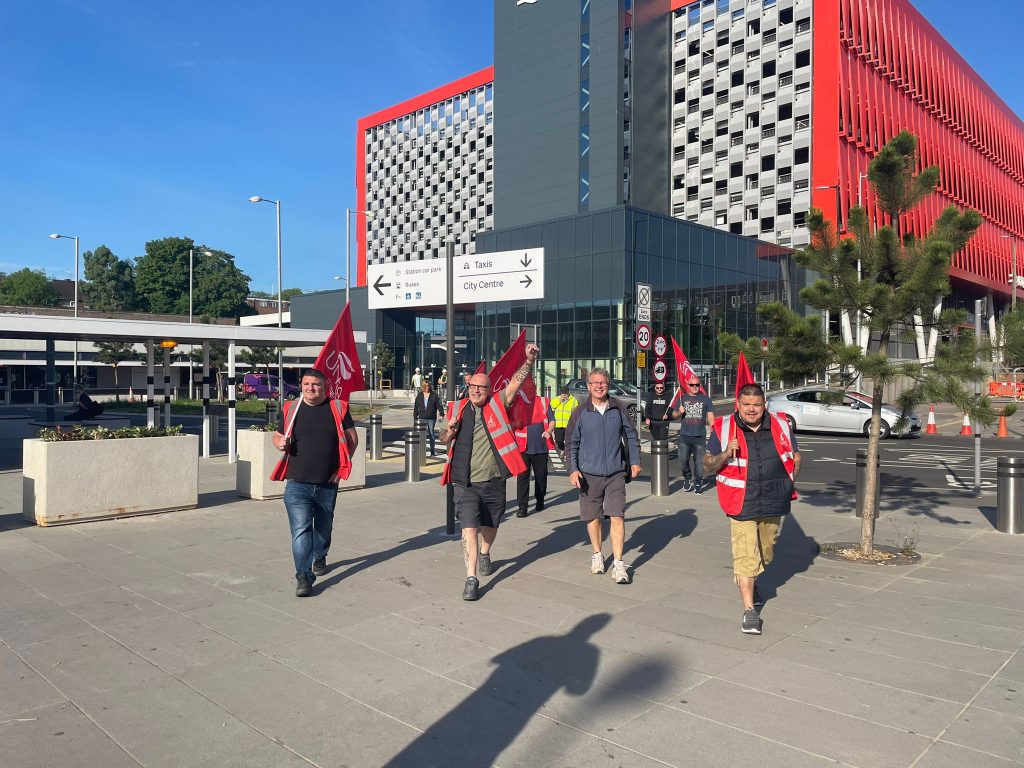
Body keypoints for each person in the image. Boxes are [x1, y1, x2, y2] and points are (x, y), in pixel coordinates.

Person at [441, 344, 539, 601]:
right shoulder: (458, 409)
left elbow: (516, 384)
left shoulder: (498, 404)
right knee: (469, 528)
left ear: (489, 389)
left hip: (494, 480)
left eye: (481, 387)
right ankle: (471, 578)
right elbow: (443, 438)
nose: (475, 390)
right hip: (465, 482)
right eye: (472, 386)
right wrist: (449, 430)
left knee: (490, 525)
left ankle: (485, 552)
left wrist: (528, 362)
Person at [704, 383, 801, 635]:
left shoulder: (781, 425)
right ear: (738, 404)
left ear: (764, 405)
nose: (751, 410)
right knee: (747, 557)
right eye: (746, 405)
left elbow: (796, 457)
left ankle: (753, 579)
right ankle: (749, 611)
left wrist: (789, 484)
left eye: (756, 405)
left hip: (772, 501)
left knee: (765, 553)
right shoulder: (724, 428)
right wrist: (726, 453)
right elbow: (707, 465)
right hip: (740, 503)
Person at [271, 369, 358, 598]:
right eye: (306, 384)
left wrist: (341, 470)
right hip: (297, 482)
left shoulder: (337, 408)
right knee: (300, 530)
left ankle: (320, 554)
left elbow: (352, 439)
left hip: (327, 482)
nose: (310, 388)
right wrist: (280, 443)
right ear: (301, 385)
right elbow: (277, 435)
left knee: (323, 526)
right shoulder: (292, 408)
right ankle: (303, 576)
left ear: (324, 386)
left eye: (315, 384)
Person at [565, 369, 642, 585]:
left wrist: (635, 461)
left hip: (616, 472)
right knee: (593, 517)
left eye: (603, 383)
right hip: (588, 475)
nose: (599, 386)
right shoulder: (580, 412)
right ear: (588, 386)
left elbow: (631, 435)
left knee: (617, 515)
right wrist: (573, 469)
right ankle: (597, 555)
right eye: (595, 383)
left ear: (608, 385)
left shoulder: (619, 408)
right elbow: (571, 442)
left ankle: (618, 563)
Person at [671, 375, 716, 493]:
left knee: (699, 463)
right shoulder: (682, 399)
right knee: (683, 460)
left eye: (697, 385)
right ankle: (687, 478)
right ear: (688, 386)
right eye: (692, 385)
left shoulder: (706, 399)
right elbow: (674, 415)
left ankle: (698, 483)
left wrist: (713, 429)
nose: (695, 387)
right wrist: (679, 412)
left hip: (700, 437)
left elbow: (710, 415)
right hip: (685, 436)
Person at [515, 396, 555, 517]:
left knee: (541, 476)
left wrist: (549, 431)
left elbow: (552, 420)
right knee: (522, 478)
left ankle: (540, 500)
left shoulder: (544, 402)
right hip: (523, 447)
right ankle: (522, 507)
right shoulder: (518, 402)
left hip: (541, 447)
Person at [413, 380, 443, 456]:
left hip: (431, 418)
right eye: (426, 386)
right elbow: (416, 407)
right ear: (423, 387)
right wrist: (415, 418)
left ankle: (432, 450)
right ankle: (421, 450)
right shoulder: (419, 395)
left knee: (431, 434)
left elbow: (439, 405)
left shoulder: (434, 395)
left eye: (429, 386)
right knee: (421, 434)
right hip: (422, 417)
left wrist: (441, 414)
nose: (428, 387)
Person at [551, 386, 580, 454]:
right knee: (558, 441)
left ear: (568, 393)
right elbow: (552, 407)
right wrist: (559, 401)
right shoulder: (556, 399)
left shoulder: (573, 400)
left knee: (568, 441)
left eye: (565, 394)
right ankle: (563, 449)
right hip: (558, 425)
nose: (564, 396)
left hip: (569, 425)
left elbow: (576, 412)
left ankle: (567, 453)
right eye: (562, 394)